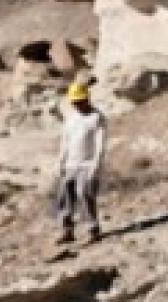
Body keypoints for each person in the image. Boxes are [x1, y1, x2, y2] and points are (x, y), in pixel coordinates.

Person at [55, 81, 107, 244]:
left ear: (87, 98)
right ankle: (67, 230)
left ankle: (93, 229)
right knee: (65, 195)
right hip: (71, 163)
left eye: (79, 101)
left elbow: (100, 144)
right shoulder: (71, 119)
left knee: (85, 194)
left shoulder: (97, 118)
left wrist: (96, 165)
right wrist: (60, 162)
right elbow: (65, 141)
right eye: (74, 102)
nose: (77, 104)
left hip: (87, 163)